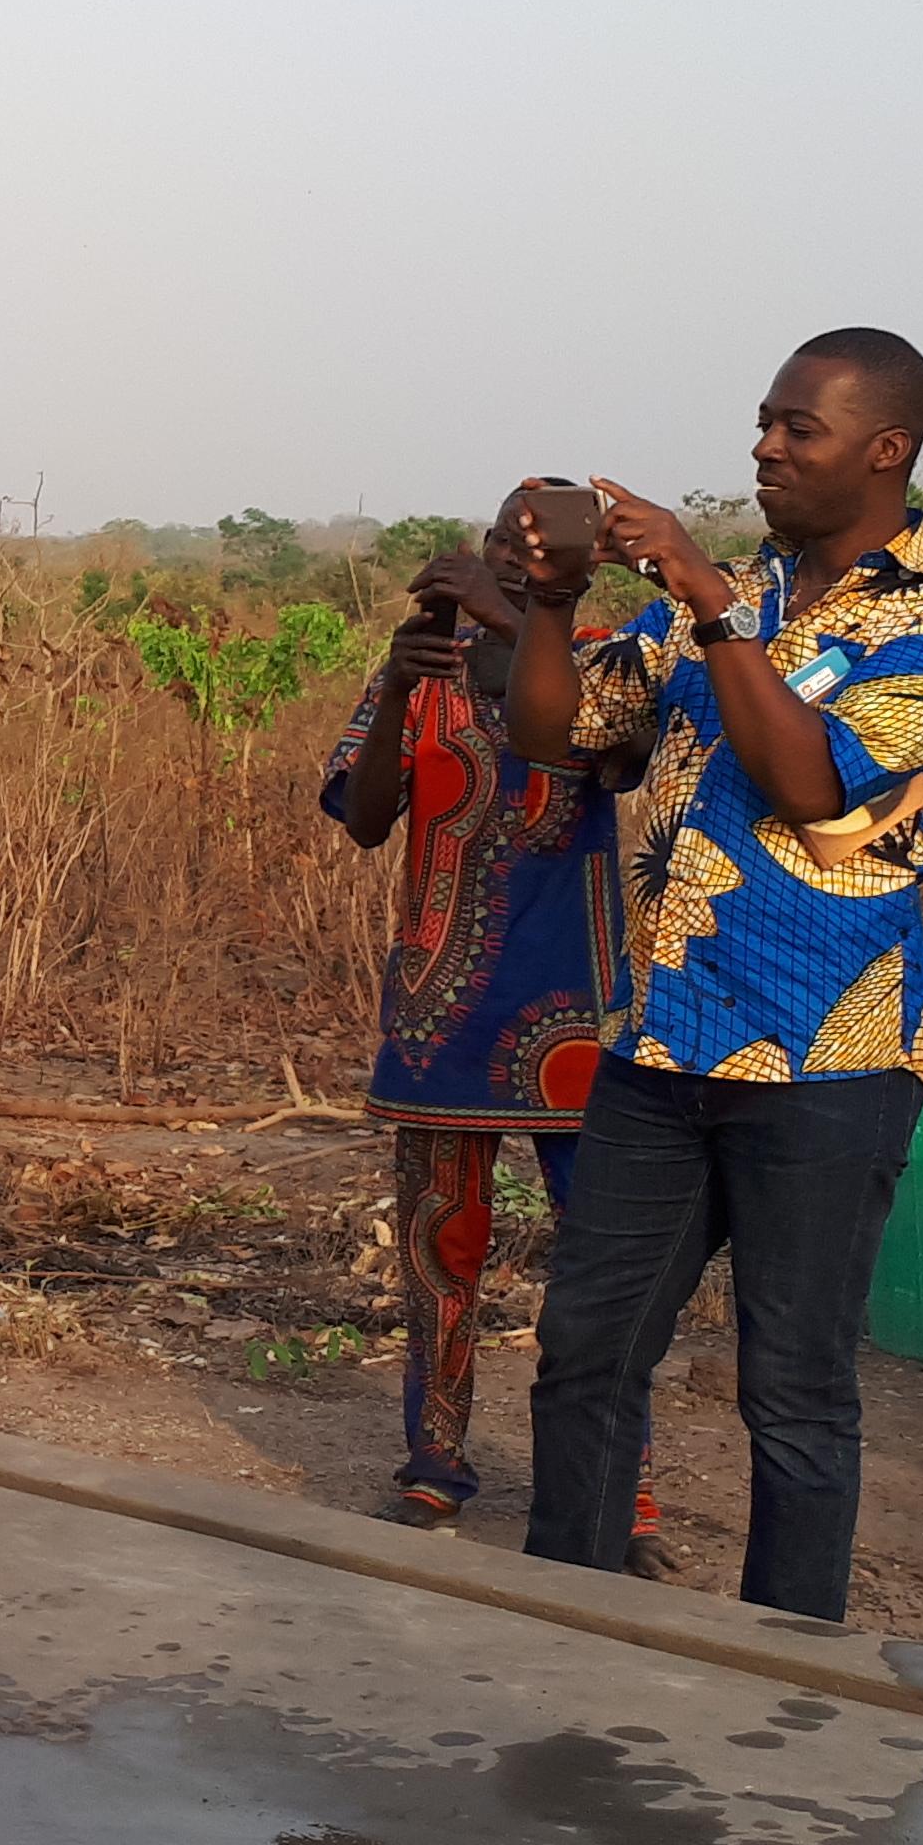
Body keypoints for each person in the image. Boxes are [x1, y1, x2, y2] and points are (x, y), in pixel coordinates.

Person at [500, 327, 923, 1621]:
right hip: (663, 1045)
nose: (765, 447)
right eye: (765, 422)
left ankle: (787, 1697)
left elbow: (811, 784)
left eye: (799, 428)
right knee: (585, 1356)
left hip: (826, 1063)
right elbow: (559, 734)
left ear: (886, 450)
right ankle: (573, 1638)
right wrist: (552, 602)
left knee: (792, 1392)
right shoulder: (713, 599)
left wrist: (711, 607)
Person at [317, 497, 662, 1567]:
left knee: (608, 1268)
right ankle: (435, 1469)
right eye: (509, 524)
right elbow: (367, 817)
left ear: (586, 560)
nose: (519, 541)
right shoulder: (427, 668)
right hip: (441, 1011)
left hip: (575, 1014)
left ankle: (624, 1496)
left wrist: (508, 622)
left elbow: (613, 757)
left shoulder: (610, 663)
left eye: (546, 531)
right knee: (437, 1253)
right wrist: (402, 683)